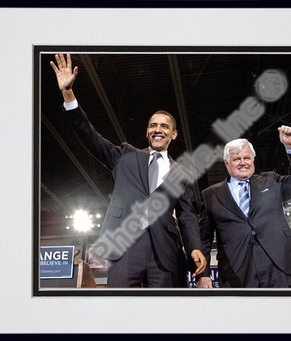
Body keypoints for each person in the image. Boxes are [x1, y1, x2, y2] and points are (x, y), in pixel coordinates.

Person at [50, 53, 206, 288]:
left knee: (165, 318)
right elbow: (89, 136)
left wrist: (195, 247)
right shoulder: (126, 155)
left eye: (164, 126)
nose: (158, 129)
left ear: (173, 134)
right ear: (147, 132)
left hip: (165, 252)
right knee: (120, 316)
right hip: (124, 247)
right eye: (153, 125)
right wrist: (68, 94)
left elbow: (186, 215)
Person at [197, 127, 291, 288]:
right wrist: (204, 275)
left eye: (247, 158)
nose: (243, 162)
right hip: (237, 272)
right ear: (227, 163)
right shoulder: (210, 195)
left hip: (280, 265)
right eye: (237, 159)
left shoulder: (271, 181)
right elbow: (204, 240)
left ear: (253, 160)